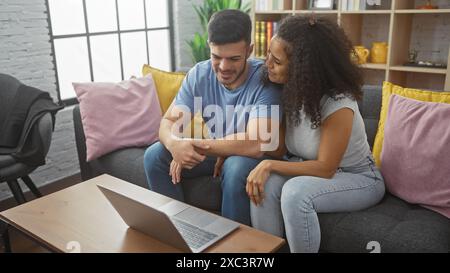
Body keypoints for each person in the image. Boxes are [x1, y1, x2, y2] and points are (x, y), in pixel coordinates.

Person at [247, 15, 386, 252]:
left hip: (358, 178)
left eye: (277, 60)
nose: (267, 63)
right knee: (265, 186)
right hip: (308, 169)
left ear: (303, 67)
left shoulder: (338, 103)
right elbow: (278, 148)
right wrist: (231, 149)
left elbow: (325, 168)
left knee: (295, 193)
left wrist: (268, 165)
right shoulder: (287, 90)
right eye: (269, 54)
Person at [143, 9, 283, 226]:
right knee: (154, 155)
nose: (224, 67)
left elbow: (258, 142)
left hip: (253, 158)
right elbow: (168, 123)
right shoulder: (199, 74)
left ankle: (233, 248)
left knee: (235, 165)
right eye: (217, 57)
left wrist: (199, 145)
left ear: (249, 50)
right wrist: (174, 144)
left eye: (234, 58)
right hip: (218, 152)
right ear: (209, 46)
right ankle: (179, 232)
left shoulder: (265, 80)